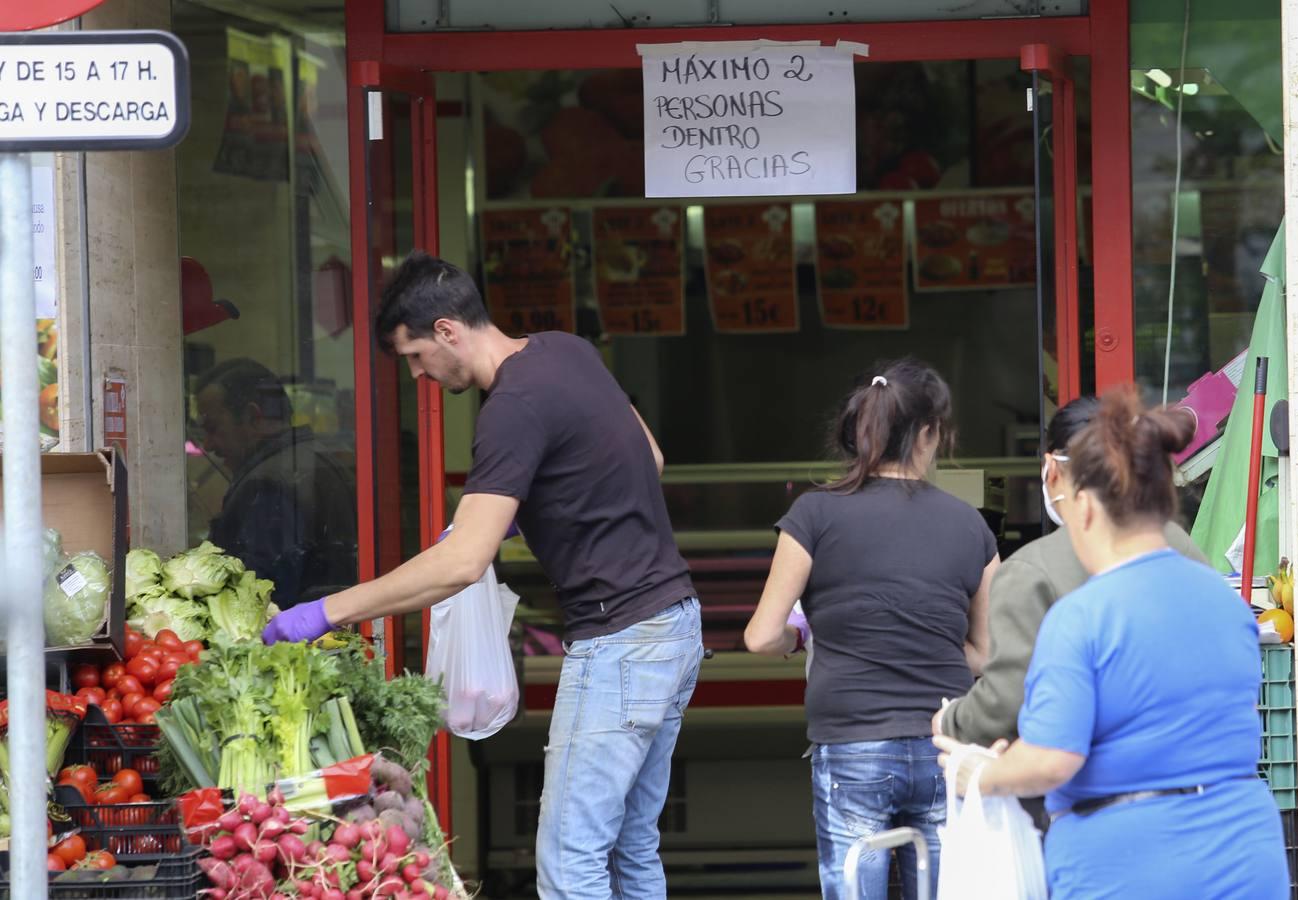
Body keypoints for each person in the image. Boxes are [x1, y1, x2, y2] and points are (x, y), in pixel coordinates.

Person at [261, 252, 703, 900]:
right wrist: (529, 513)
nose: (418, 375)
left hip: (622, 645)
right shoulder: (568, 352)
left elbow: (463, 563)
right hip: (674, 628)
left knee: (570, 862)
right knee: (631, 851)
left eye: (415, 357)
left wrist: (329, 611)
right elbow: (651, 457)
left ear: (446, 331)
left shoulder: (512, 406)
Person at [933, 389, 1289, 899]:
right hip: (1247, 851)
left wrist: (979, 773)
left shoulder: (1081, 617)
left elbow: (1051, 760)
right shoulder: (1222, 598)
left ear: (1083, 504)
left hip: (1131, 863)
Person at [743, 359, 999, 900]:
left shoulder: (813, 514)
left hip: (853, 743)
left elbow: (761, 636)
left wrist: (804, 636)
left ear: (865, 431)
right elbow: (984, 654)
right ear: (929, 435)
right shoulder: (971, 525)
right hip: (944, 744)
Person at [932, 396, 1210, 826]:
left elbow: (1019, 710)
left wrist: (954, 724)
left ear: (1053, 470)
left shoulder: (1034, 572)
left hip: (1099, 815)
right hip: (1212, 807)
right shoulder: (1190, 559)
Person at [194, 358, 357, 606]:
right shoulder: (318, 459)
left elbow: (259, 591)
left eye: (213, 428)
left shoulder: (267, 483)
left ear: (253, 416)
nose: (208, 444)